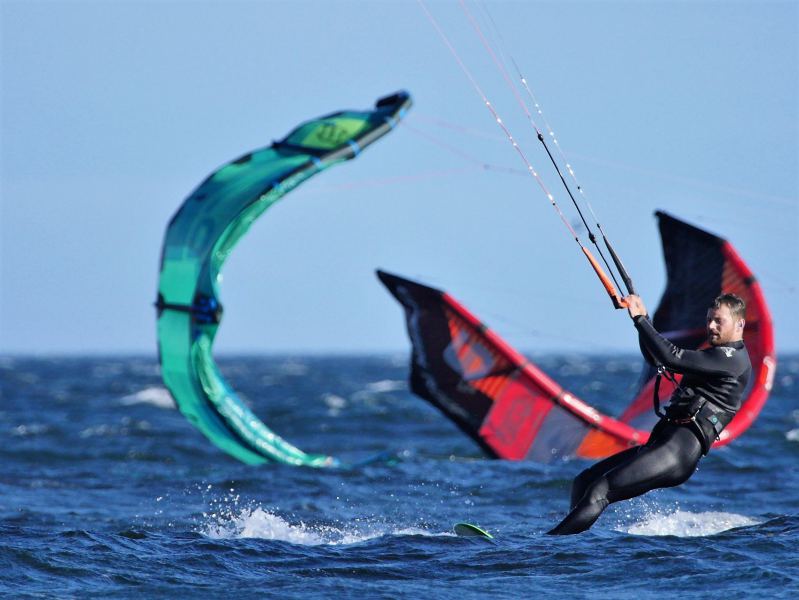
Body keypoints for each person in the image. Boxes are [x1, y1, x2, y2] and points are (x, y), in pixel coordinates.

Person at [547, 293, 752, 535]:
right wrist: (641, 318)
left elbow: (671, 356)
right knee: (585, 481)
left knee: (600, 490)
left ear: (740, 324)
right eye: (708, 320)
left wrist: (641, 320)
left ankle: (546, 548)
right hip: (663, 442)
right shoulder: (715, 355)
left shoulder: (732, 359)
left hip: (677, 452)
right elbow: (658, 358)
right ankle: (572, 541)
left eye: (718, 321)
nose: (711, 326)